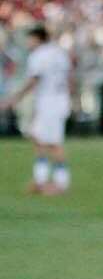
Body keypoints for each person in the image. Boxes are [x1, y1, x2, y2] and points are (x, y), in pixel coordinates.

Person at [1, 25, 73, 194]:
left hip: (50, 100)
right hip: (58, 99)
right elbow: (70, 76)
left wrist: (15, 97)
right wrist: (69, 96)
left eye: (29, 39)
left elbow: (34, 79)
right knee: (38, 137)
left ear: (37, 39)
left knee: (53, 142)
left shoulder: (39, 55)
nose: (27, 43)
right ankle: (40, 180)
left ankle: (61, 184)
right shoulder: (59, 53)